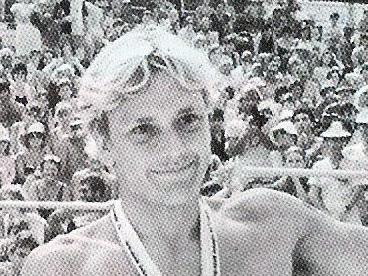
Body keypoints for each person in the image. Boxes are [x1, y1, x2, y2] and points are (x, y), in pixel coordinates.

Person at [22, 25, 368, 276]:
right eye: (144, 130)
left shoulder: (273, 225)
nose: (176, 149)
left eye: (187, 120)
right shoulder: (62, 267)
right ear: (105, 143)